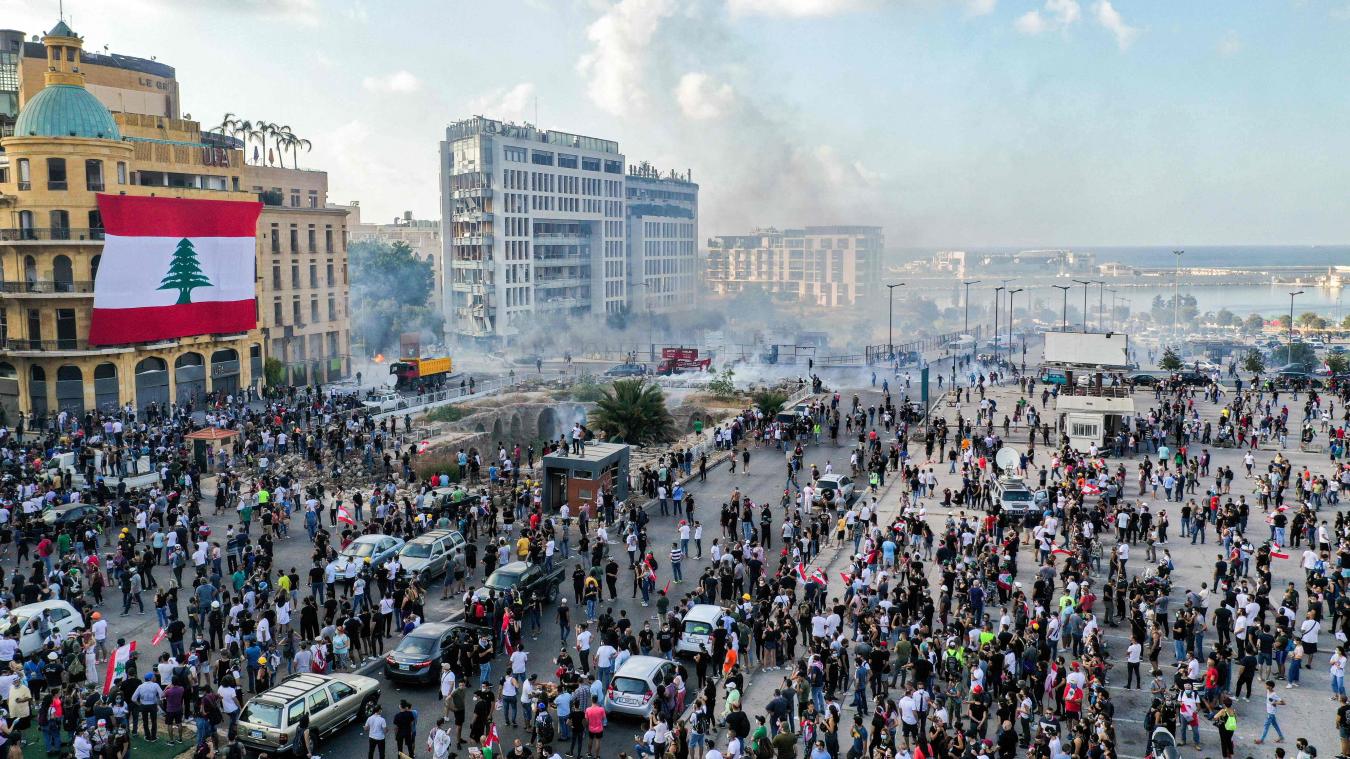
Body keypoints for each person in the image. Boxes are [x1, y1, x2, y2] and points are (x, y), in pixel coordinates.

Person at [1255, 680, 1285, 744]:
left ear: (1270, 687)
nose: (1265, 686)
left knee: (1266, 726)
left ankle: (1261, 740)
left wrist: (1275, 703)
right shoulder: (1268, 691)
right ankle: (1281, 736)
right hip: (1271, 712)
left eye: (1267, 685)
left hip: (1271, 713)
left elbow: (1283, 702)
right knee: (1275, 725)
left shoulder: (1274, 695)